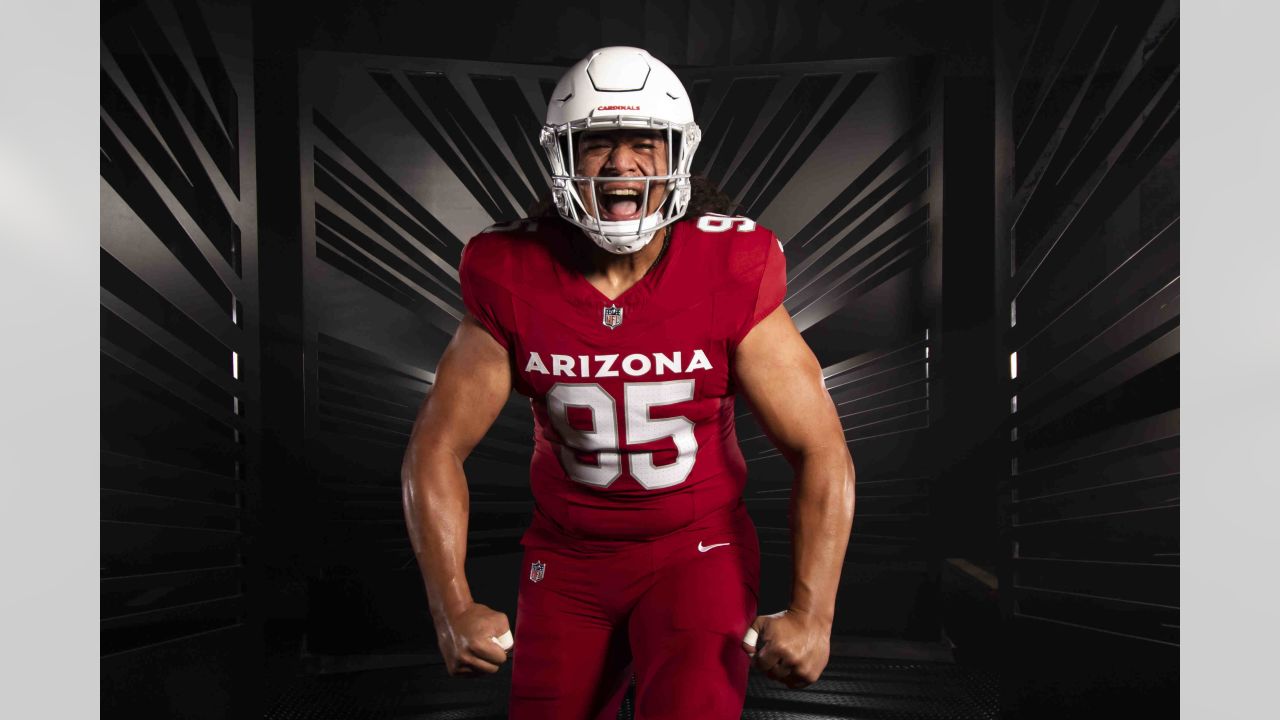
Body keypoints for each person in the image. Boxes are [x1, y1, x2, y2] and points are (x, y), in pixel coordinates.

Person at [401, 46, 856, 719]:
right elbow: (433, 451)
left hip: (697, 551)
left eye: (644, 143)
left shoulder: (729, 266)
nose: (621, 165)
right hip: (567, 559)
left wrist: (814, 613)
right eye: (597, 145)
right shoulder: (510, 271)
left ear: (678, 154)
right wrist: (451, 605)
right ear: (562, 158)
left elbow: (823, 450)